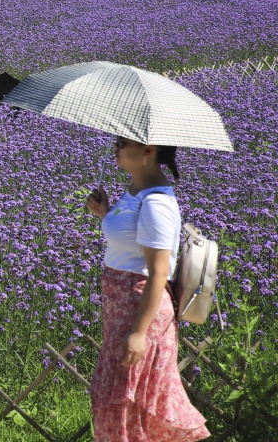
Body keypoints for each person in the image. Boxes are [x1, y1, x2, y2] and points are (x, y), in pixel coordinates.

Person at [85, 139, 209, 442]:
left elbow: (157, 273)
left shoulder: (156, 204)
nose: (115, 147)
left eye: (123, 143)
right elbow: (133, 243)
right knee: (120, 405)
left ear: (148, 151)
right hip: (122, 312)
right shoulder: (136, 193)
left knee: (129, 407)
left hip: (140, 312)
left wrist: (139, 333)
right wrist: (105, 213)